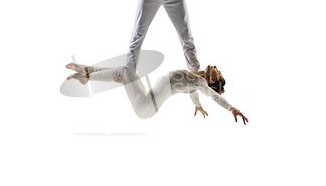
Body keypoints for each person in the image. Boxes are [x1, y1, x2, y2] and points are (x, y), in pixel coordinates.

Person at [65, 62, 248, 124]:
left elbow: (213, 95)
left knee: (126, 71)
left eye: (218, 71)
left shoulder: (200, 82)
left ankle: (86, 74)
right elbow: (194, 94)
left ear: (211, 81)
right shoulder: (195, 82)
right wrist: (198, 106)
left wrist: (232, 108)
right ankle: (86, 72)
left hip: (147, 106)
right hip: (147, 104)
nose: (216, 67)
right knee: (127, 74)